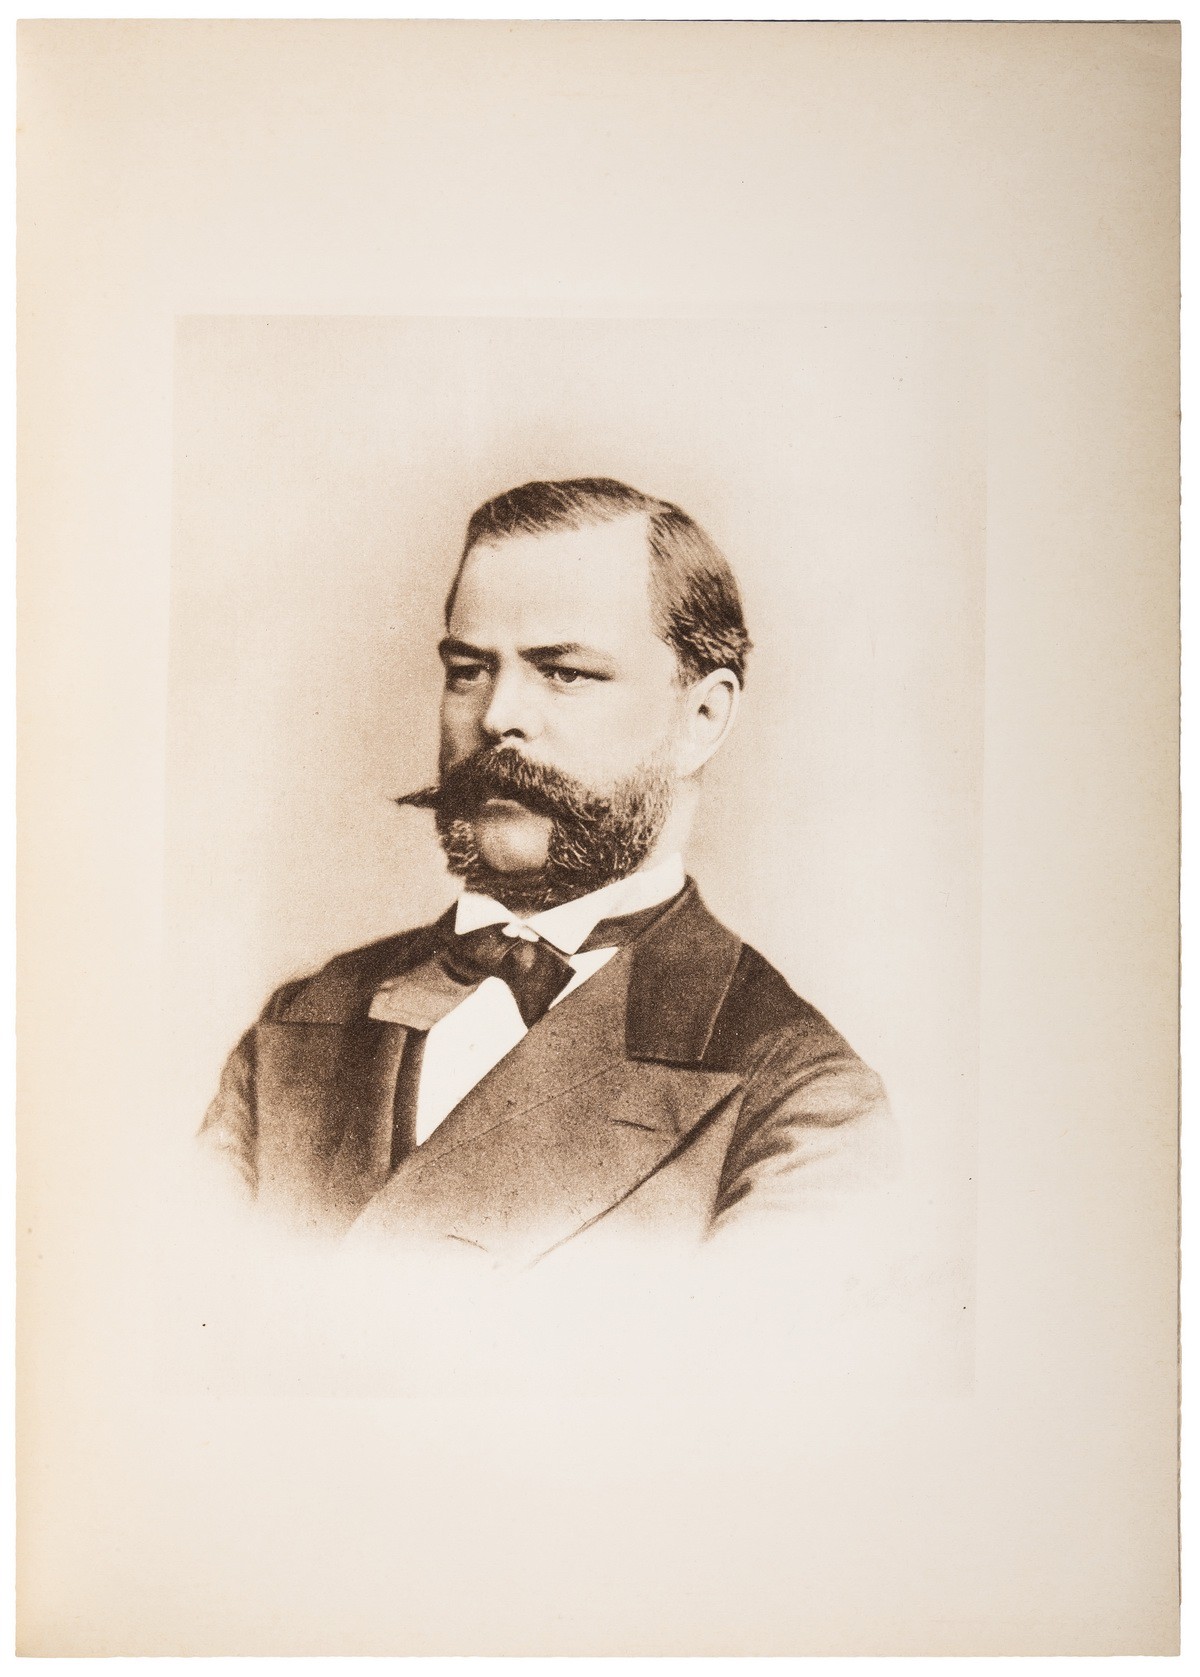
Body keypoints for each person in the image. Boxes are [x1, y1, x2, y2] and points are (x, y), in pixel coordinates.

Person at [200, 477, 894, 1267]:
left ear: (701, 718)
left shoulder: (803, 1097)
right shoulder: (299, 1025)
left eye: (563, 672)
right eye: (468, 669)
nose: (496, 716)